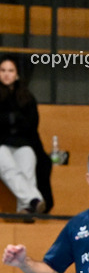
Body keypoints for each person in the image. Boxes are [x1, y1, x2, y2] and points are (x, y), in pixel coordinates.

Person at [0, 56, 53, 214]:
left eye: (10, 70)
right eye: (2, 70)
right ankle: (33, 200)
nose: (6, 74)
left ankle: (25, 210)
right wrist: (14, 120)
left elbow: (31, 125)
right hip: (1, 144)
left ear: (17, 74)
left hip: (23, 143)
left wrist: (9, 121)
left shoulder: (27, 97)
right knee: (8, 167)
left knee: (28, 162)